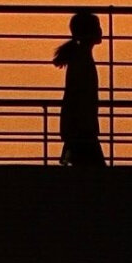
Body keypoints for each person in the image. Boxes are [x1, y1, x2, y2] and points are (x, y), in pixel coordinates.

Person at [52, 9, 106, 166]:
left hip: (78, 130)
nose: (101, 31)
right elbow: (79, 97)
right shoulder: (83, 59)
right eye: (97, 26)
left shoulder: (79, 56)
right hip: (83, 131)